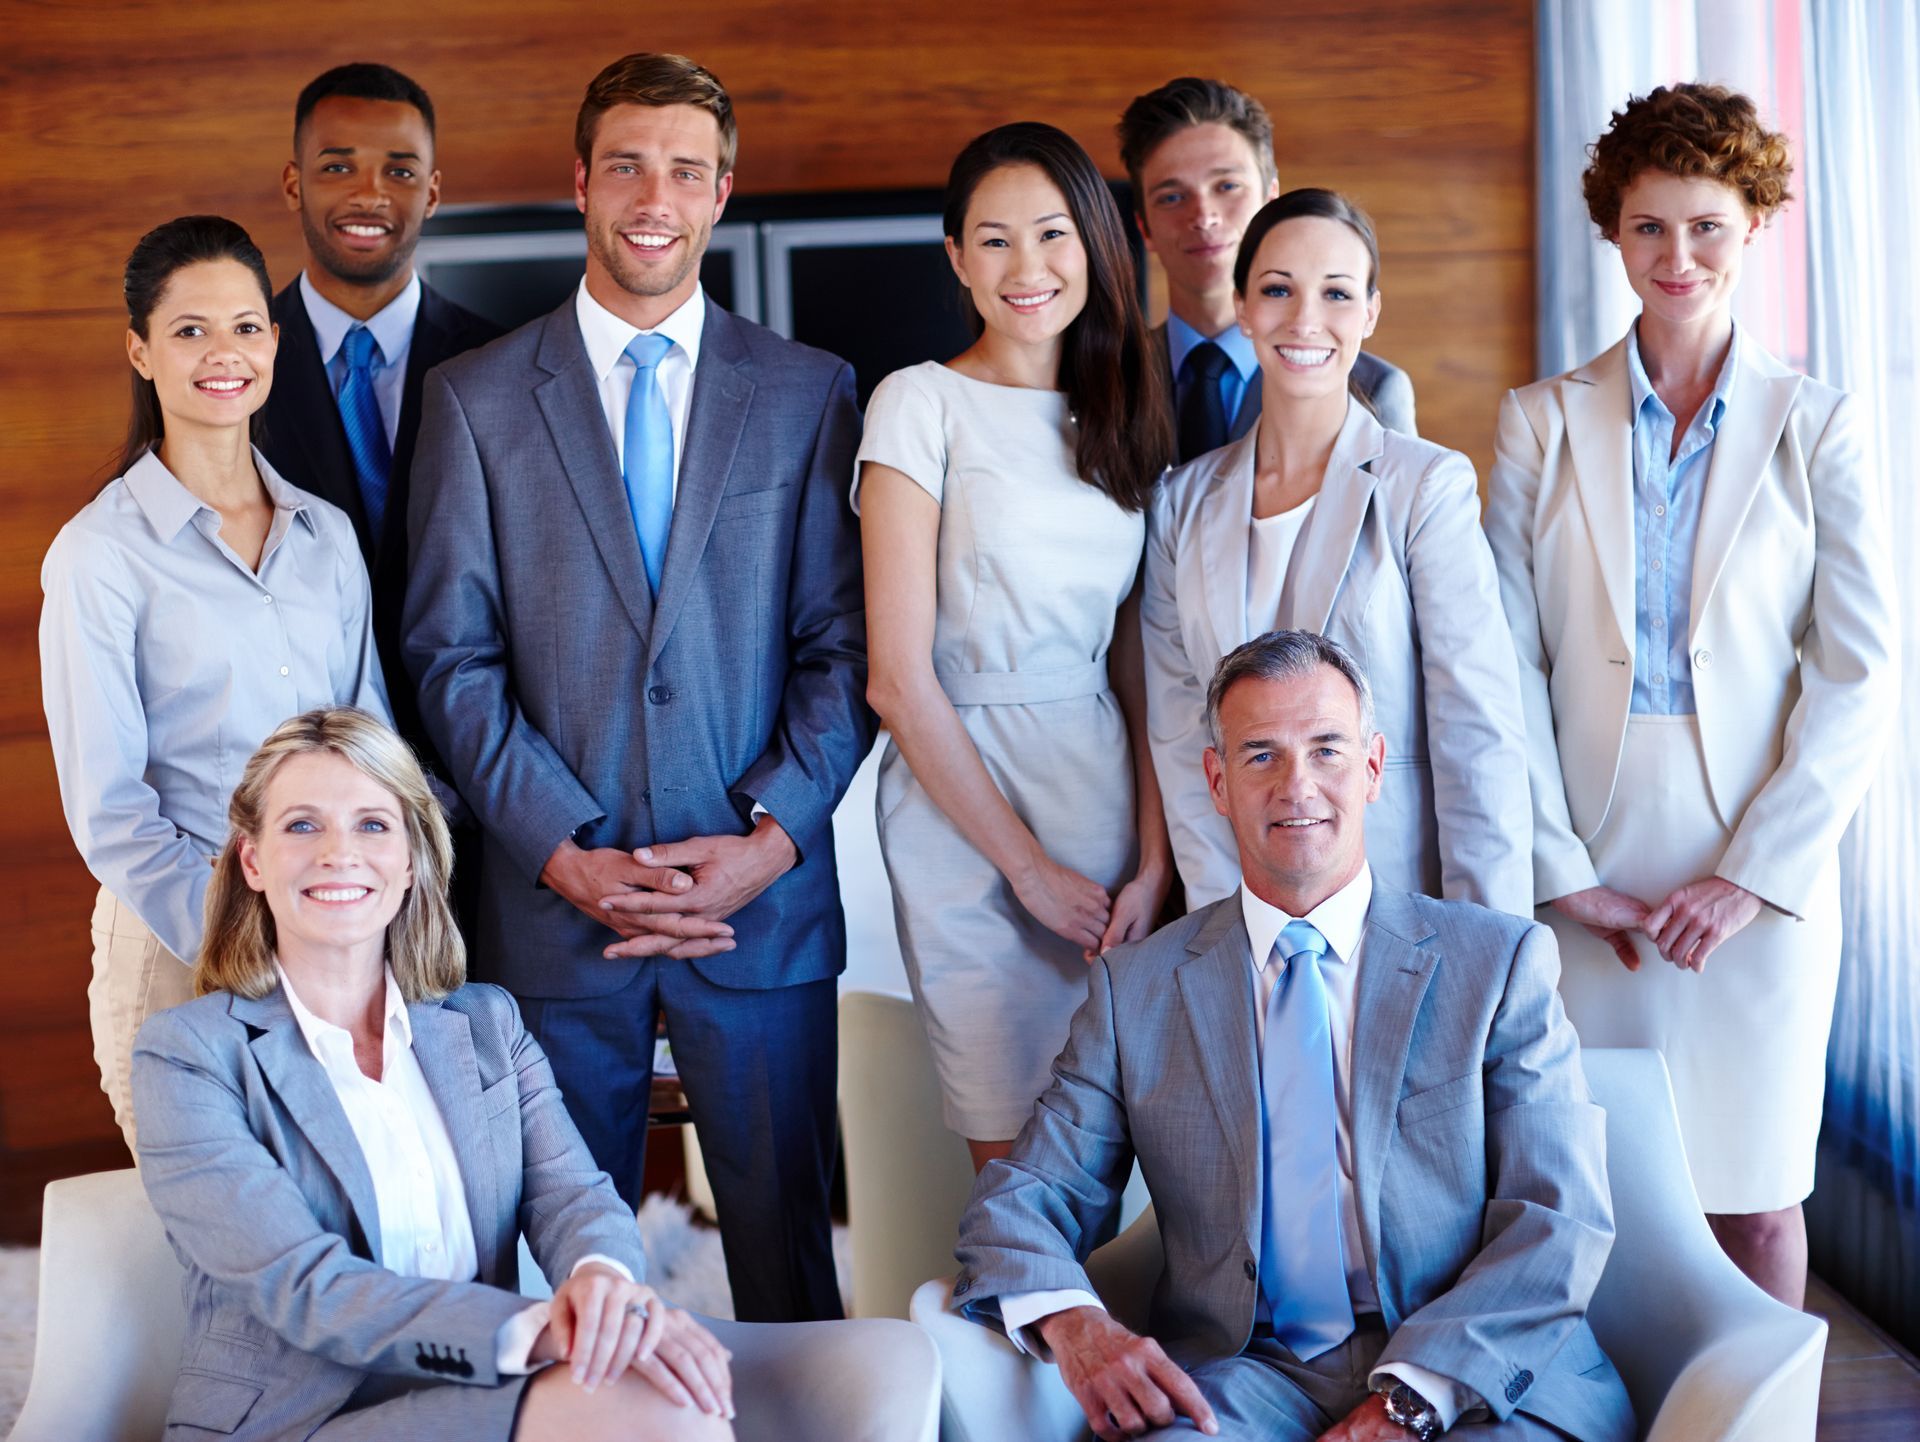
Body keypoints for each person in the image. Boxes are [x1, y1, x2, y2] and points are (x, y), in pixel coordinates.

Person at [404, 53, 871, 1324]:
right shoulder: (476, 399)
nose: (652, 196)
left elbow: (846, 647)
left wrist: (765, 847)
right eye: (626, 165)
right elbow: (450, 657)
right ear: (581, 184)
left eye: (683, 169)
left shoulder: (811, 390)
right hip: (558, 921)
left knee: (789, 1277)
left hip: (757, 920)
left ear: (723, 192)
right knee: (573, 1279)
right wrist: (566, 854)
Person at [953, 632, 1632, 1442]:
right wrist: (1078, 1327)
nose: (1296, 785)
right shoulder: (1133, 990)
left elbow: (1559, 1218)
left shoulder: (1498, 963)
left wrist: (1407, 1402)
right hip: (1248, 1380)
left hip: (1480, 1375)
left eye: (1326, 750)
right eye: (1261, 756)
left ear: (1374, 767)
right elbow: (1024, 1198)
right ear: (1216, 782)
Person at [1484, 82, 1897, 1308]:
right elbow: (1499, 669)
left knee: (1758, 1195)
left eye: (1707, 225)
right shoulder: (1536, 423)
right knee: (1595, 1193)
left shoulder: (1822, 425)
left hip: (1760, 866)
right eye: (1650, 225)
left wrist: (1752, 871)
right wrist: (1557, 867)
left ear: (1754, 227)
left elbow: (1859, 669)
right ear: (1614, 232)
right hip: (1586, 863)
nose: (1677, 255)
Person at [131, 708, 733, 1442]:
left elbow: (574, 1197)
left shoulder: (487, 1024)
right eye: (301, 826)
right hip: (298, 1420)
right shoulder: (187, 1056)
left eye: (373, 825)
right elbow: (306, 1286)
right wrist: (551, 1329)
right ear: (252, 861)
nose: (339, 853)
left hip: (485, 1392)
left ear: (412, 859)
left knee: (664, 1392)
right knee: (655, 1404)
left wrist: (604, 1287)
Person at [858, 122, 1175, 1173]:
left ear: (1095, 244)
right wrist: (1028, 870)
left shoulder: (1121, 409)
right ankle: (1028, 1340)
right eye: (993, 241)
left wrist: (1154, 857)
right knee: (1015, 1164)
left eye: (1051, 234)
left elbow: (1137, 663)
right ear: (955, 257)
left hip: (1100, 801)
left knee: (1124, 1154)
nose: (1026, 268)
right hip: (966, 817)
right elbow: (898, 681)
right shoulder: (918, 403)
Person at [39, 215, 388, 1152]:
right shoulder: (98, 555)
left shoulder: (326, 536)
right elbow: (112, 809)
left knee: (339, 1256)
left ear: (274, 342)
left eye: (243, 326)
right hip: (179, 962)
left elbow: (374, 759)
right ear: (141, 352)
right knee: (206, 1275)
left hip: (340, 952)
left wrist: (355, 933)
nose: (222, 353)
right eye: (189, 330)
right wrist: (255, 937)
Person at [1142, 190, 1531, 916]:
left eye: (1337, 293)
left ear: (1371, 313)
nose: (1305, 319)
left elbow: (1478, 738)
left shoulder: (1426, 486)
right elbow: (1179, 741)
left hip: (1401, 900)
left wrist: (1495, 946)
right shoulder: (1180, 503)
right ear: (1243, 306)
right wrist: (1220, 929)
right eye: (1278, 289)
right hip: (1240, 914)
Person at [263, 62, 501, 901]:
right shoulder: (229, 368)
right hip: (298, 829)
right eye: (338, 166)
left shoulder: (506, 366)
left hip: (483, 819)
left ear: (433, 191)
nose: (370, 192)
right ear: (294, 182)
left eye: (399, 169)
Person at [1117, 76, 1416, 461]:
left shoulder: (1372, 387)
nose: (1204, 217)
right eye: (1172, 197)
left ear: (1270, 201)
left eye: (1227, 186)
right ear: (1144, 227)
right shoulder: (1110, 383)